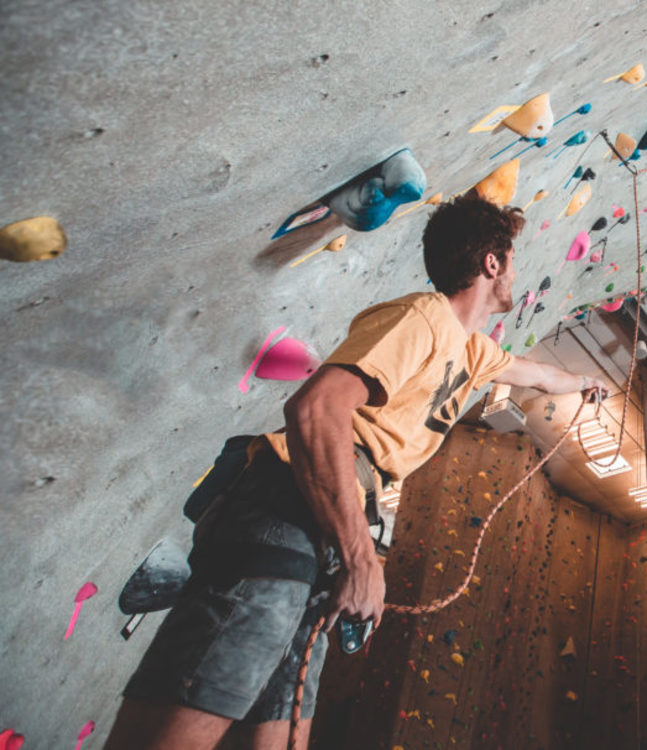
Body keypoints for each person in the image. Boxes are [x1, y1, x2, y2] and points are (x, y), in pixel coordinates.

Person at [105, 196, 607, 750]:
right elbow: (316, 408)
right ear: (492, 262)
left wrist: (584, 385)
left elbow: (537, 373)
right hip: (287, 509)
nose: (516, 271)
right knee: (177, 730)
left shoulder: (475, 352)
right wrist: (362, 558)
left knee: (281, 736)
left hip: (324, 533)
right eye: (511, 258)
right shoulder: (423, 318)